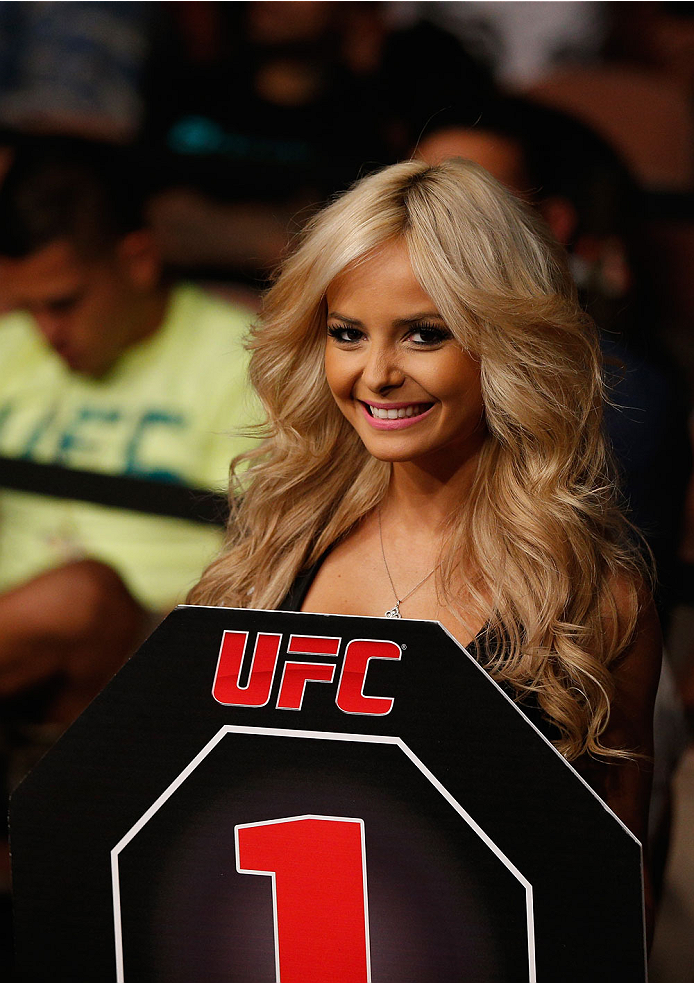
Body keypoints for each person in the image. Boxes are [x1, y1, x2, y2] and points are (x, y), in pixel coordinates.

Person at [190, 157, 662, 872]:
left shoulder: (598, 600)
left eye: (423, 334)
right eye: (347, 333)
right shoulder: (275, 548)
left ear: (503, 344)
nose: (375, 373)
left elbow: (616, 901)